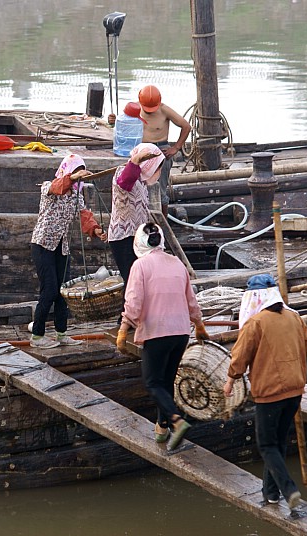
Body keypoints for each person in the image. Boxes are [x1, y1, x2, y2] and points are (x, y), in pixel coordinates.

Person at [224, 274, 307, 509]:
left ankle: (289, 489)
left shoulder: (256, 323)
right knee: (278, 442)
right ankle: (270, 493)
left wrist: (230, 380)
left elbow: (239, 358)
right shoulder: (294, 317)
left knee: (266, 445)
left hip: (270, 393)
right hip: (295, 390)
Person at [116, 223, 208, 450]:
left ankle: (176, 421)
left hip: (158, 332)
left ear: (139, 242)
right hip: (180, 333)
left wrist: (123, 329)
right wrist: (199, 325)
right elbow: (191, 301)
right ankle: (161, 429)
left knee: (152, 382)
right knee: (165, 382)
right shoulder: (177, 263)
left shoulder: (140, 266)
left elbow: (134, 303)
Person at [29, 154, 107, 349]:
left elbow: (85, 216)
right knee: (50, 290)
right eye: (74, 172)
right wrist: (73, 177)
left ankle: (61, 333)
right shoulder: (49, 187)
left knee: (63, 291)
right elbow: (58, 186)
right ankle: (37, 336)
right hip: (43, 244)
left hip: (61, 247)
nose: (77, 177)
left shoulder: (76, 197)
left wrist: (97, 230)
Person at [107, 143, 165, 292]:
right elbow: (124, 182)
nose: (158, 171)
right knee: (132, 281)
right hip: (123, 237)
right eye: (157, 167)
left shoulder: (141, 181)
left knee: (138, 280)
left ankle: (132, 314)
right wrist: (137, 159)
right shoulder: (124, 172)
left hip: (136, 237)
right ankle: (127, 315)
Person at [137, 85, 191, 218]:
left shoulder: (164, 110)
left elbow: (186, 126)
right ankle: (142, 219)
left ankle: (163, 223)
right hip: (141, 152)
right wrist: (112, 121)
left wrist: (176, 147)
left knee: (160, 190)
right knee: (139, 188)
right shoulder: (134, 109)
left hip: (160, 151)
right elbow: (121, 126)